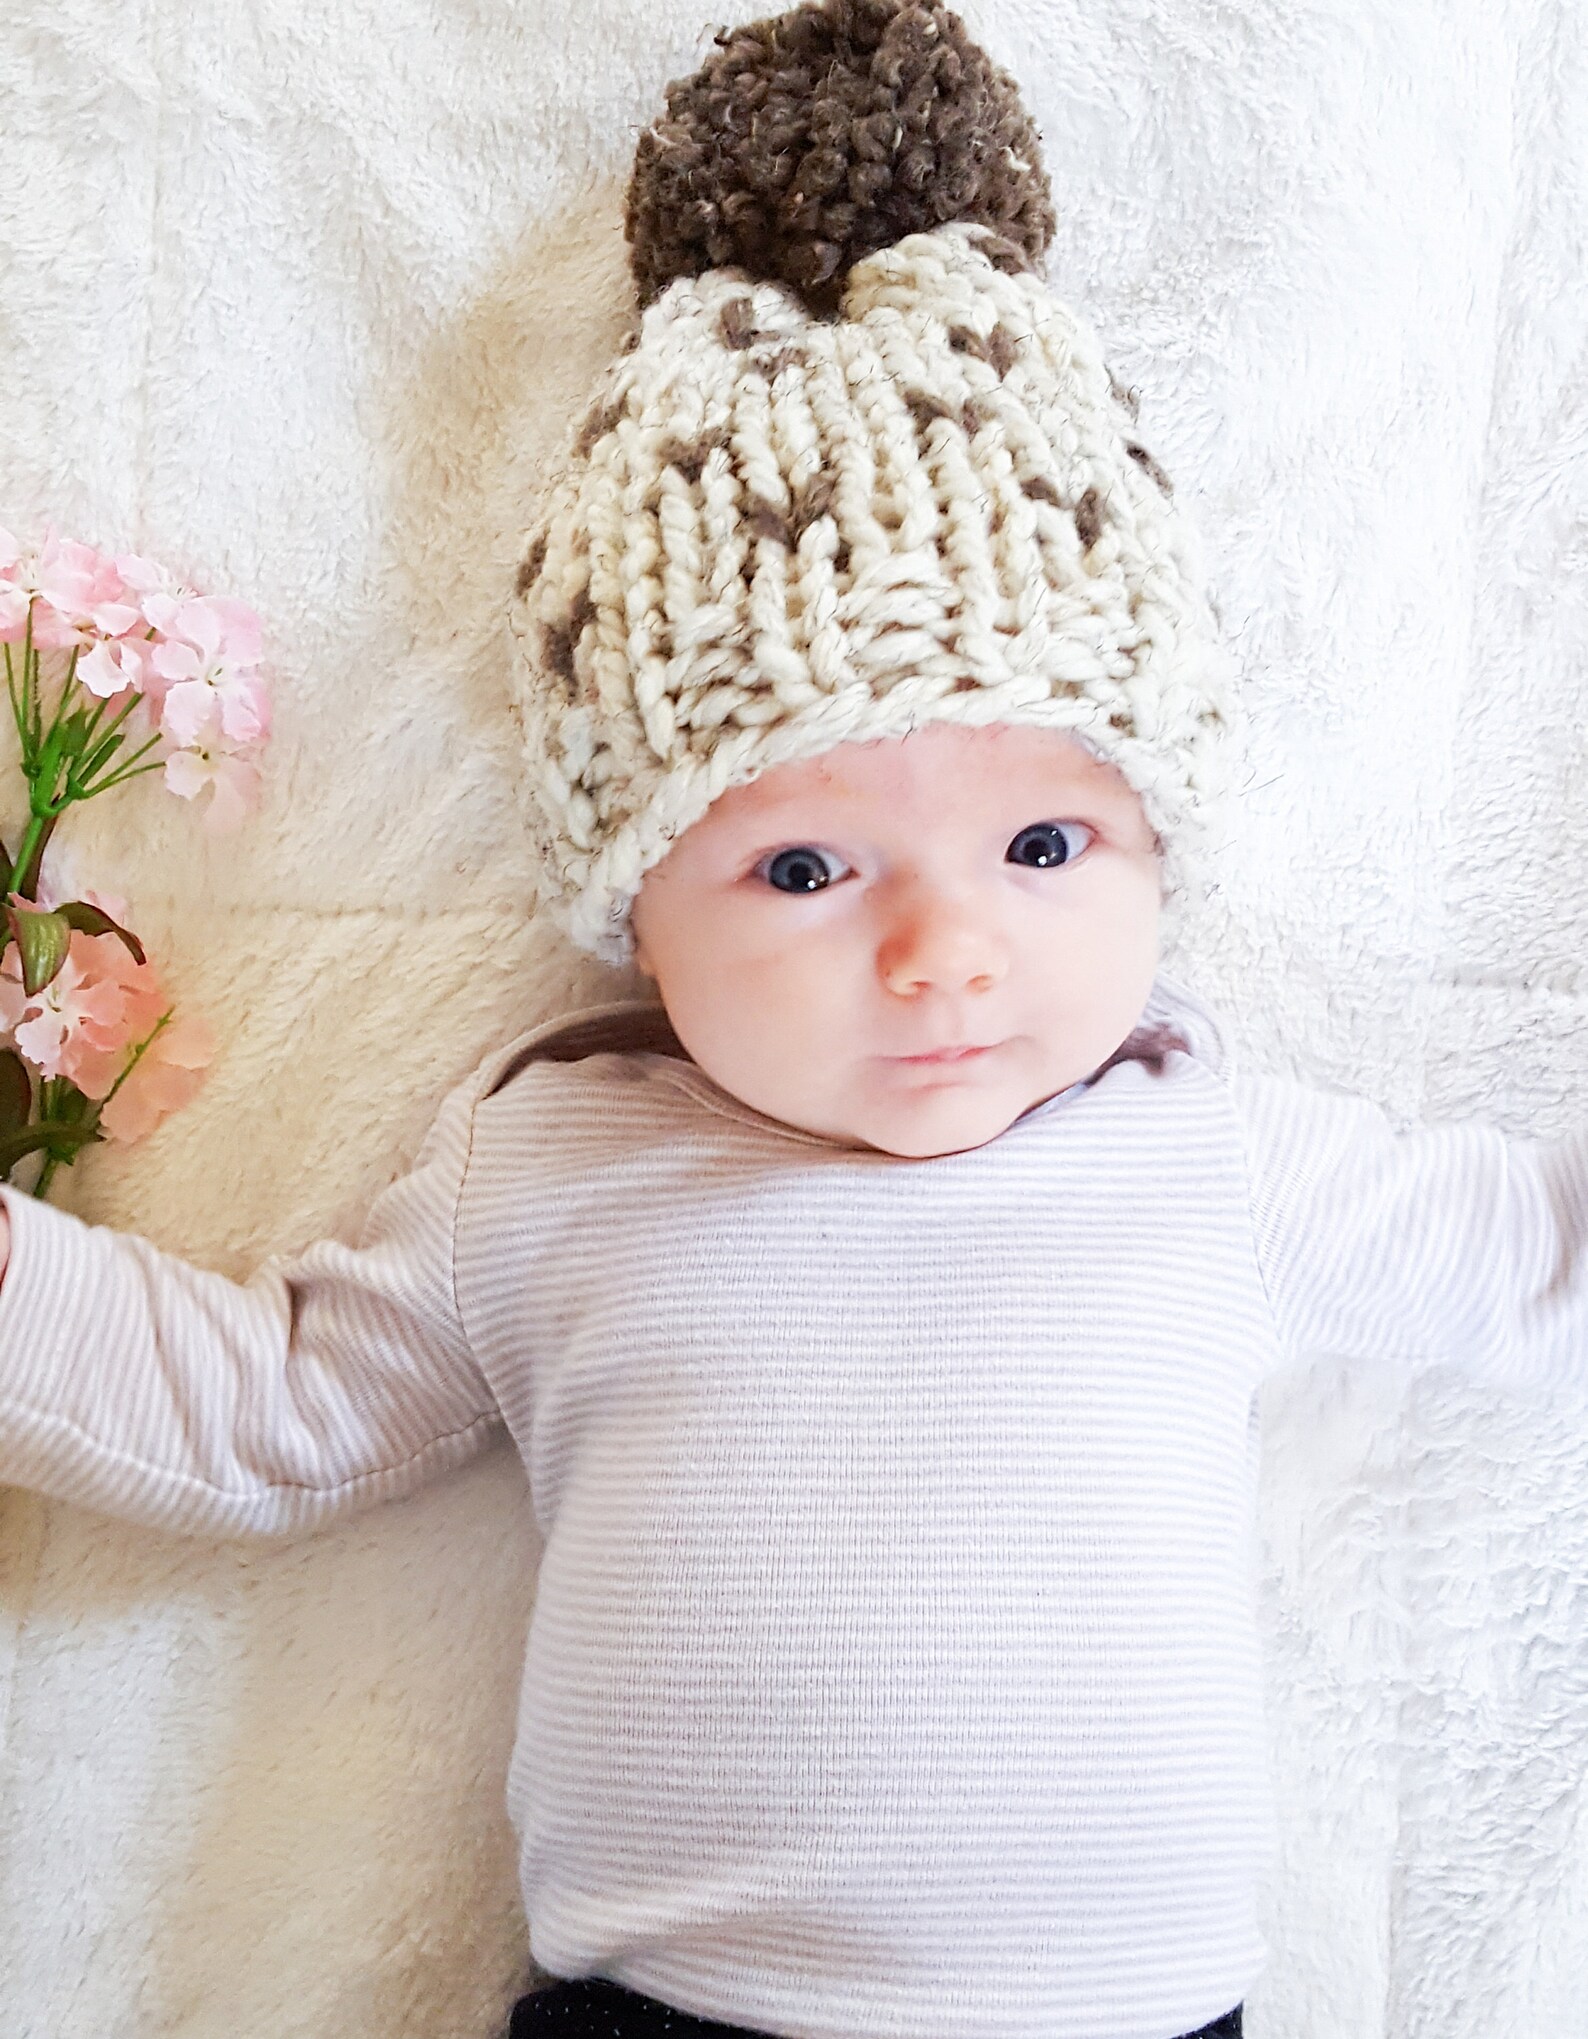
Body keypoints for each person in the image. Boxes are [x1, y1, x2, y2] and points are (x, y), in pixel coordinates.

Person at [0, 3, 1582, 2036]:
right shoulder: (554, 1158)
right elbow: (268, 1405)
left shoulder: (1211, 1151)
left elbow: (1538, 1262)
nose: (943, 957)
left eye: (1039, 842)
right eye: (807, 872)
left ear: (1154, 844)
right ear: (630, 906)